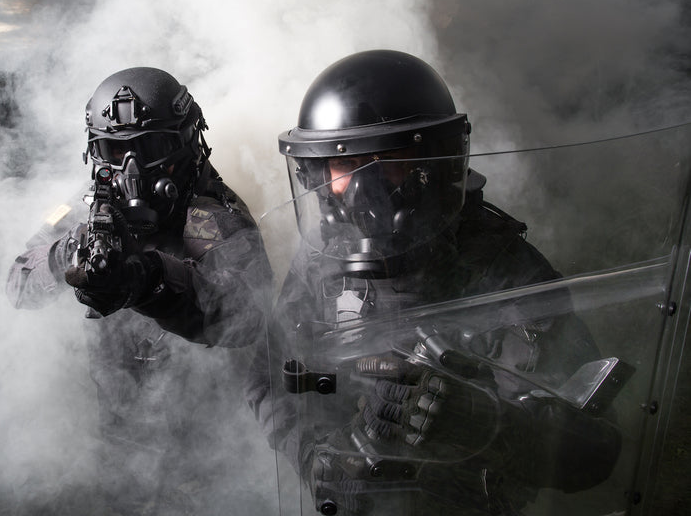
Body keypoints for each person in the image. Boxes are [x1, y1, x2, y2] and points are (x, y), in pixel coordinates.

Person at [246, 50, 622, 515]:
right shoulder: (323, 258)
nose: (368, 191)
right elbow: (269, 377)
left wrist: (490, 424)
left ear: (436, 163)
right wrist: (314, 458)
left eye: (389, 163)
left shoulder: (506, 271)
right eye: (348, 168)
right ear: (319, 175)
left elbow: (596, 451)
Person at [7, 66, 273, 512]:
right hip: (119, 431)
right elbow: (17, 283)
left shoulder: (216, 216)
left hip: (205, 450)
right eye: (115, 150)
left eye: (151, 148)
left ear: (186, 143)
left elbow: (242, 319)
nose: (131, 168)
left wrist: (147, 280)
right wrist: (68, 252)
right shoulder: (86, 209)